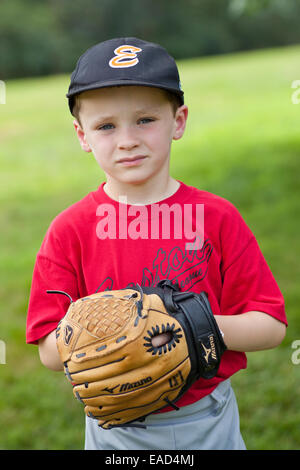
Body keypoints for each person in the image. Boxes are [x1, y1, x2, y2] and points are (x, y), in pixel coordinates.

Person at [26, 37, 287, 450]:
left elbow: (271, 327)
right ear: (82, 134)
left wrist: (183, 325)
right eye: (106, 126)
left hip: (207, 419)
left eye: (145, 119)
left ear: (179, 120)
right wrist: (109, 336)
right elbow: (48, 351)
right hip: (116, 430)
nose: (127, 139)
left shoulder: (216, 218)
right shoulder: (70, 229)